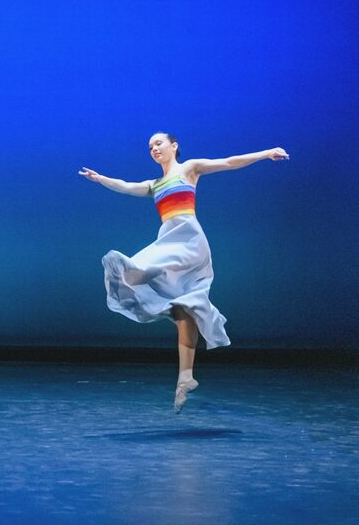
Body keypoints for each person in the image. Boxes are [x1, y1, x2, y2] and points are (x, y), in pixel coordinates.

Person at [81, 133, 288, 410]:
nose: (154, 148)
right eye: (150, 147)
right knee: (183, 311)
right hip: (169, 242)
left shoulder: (189, 168)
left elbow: (229, 162)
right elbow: (127, 187)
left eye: (159, 143)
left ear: (174, 146)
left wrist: (266, 153)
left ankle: (184, 369)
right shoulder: (154, 184)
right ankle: (185, 378)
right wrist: (101, 179)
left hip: (188, 242)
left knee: (139, 272)